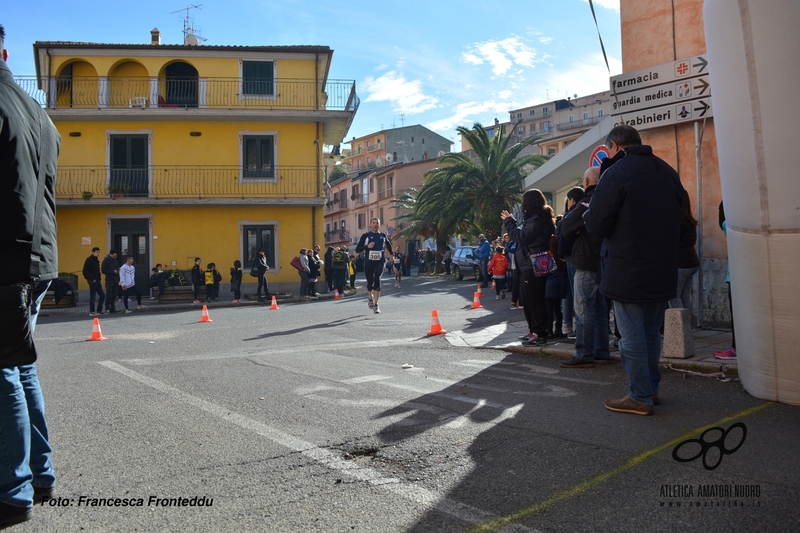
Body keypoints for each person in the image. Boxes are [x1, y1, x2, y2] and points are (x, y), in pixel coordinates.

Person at [0, 24, 60, 525]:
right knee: (20, 366)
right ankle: (38, 475)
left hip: (6, 258)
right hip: (38, 258)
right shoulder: (40, 113)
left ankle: (11, 488)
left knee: (2, 369)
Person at [583, 125, 685, 416]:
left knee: (631, 337)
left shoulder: (616, 173)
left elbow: (598, 223)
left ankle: (639, 396)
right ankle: (650, 390)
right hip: (662, 266)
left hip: (628, 267)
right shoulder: (666, 171)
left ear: (614, 146)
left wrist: (589, 213)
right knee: (651, 332)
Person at [559, 169, 609, 368]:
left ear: (586, 181)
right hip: (602, 261)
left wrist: (577, 229)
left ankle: (583, 353)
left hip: (586, 260)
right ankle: (601, 351)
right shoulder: (606, 198)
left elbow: (566, 224)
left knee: (583, 309)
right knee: (600, 308)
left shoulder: (587, 200)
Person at [502, 190, 555, 346]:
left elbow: (521, 237)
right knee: (528, 299)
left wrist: (510, 223)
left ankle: (540, 334)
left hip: (532, 264)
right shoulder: (537, 219)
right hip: (530, 264)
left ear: (529, 203)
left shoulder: (536, 220)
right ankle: (534, 331)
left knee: (534, 300)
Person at [558, 187, 585, 337]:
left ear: (571, 200)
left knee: (575, 294)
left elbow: (563, 238)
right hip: (588, 258)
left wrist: (562, 254)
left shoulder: (570, 216)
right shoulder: (588, 209)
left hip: (573, 258)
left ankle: (573, 327)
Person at [355, 217, 394, 314]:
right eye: (373, 223)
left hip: (380, 261)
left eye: (377, 223)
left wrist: (392, 254)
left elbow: (388, 245)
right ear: (370, 224)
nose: (375, 224)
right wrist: (367, 247)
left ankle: (376, 305)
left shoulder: (383, 235)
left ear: (379, 225)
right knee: (370, 283)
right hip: (369, 262)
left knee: (377, 279)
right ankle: (370, 296)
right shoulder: (365, 235)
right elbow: (357, 249)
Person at [670, 190, 700, 310]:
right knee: (685, 295)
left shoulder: (677, 222)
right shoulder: (689, 221)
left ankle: (680, 327)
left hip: (680, 264)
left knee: (674, 297)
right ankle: (687, 325)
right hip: (691, 261)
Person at [714, 201, 736, 359]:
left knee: (737, 315)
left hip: (735, 275)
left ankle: (736, 347)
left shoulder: (733, 227)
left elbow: (723, 222)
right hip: (737, 275)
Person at [82, 247, 105, 317]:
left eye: (99, 252)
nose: (98, 253)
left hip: (97, 280)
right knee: (93, 296)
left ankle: (99, 310)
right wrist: (92, 279)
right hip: (92, 280)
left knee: (102, 295)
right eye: (97, 252)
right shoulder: (89, 260)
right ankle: (92, 311)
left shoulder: (96, 260)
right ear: (93, 252)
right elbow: (85, 271)